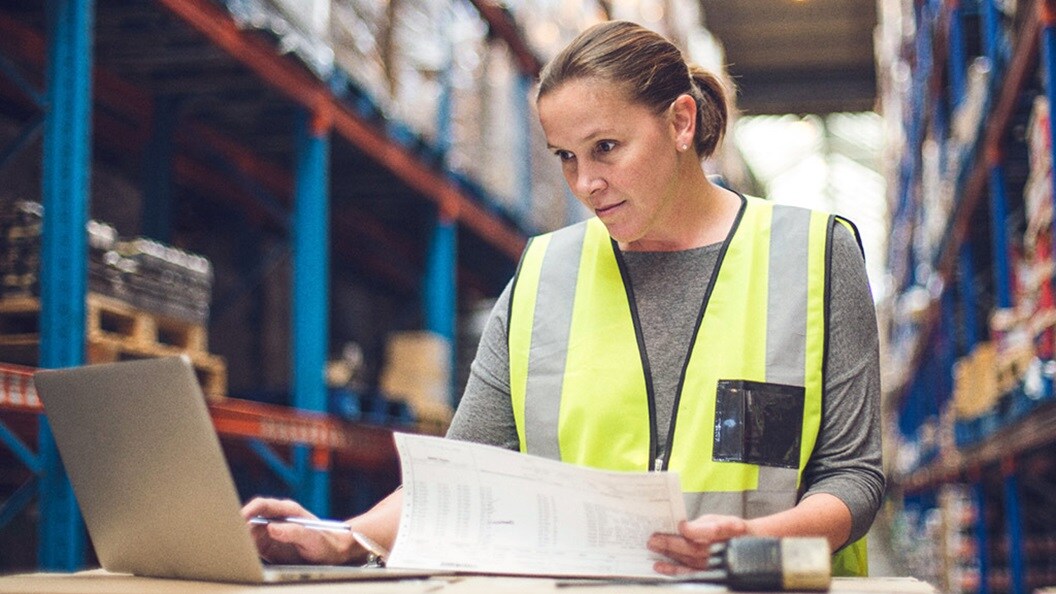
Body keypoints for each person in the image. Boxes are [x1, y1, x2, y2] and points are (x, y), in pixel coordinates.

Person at [242, 19, 885, 577]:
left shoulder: (814, 255)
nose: (586, 183)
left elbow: (853, 477)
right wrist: (346, 537)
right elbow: (466, 473)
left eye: (606, 148)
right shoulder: (546, 271)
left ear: (681, 122)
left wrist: (754, 545)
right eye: (565, 158)